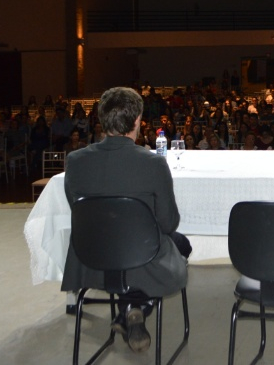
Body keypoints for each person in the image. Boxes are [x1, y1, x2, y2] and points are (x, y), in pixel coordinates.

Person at [61, 87, 190, 355]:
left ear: (101, 120)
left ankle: (128, 309)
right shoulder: (153, 164)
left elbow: (79, 211)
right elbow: (168, 224)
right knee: (182, 244)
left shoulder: (74, 161)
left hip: (92, 260)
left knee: (129, 242)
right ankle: (136, 306)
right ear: (137, 122)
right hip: (142, 260)